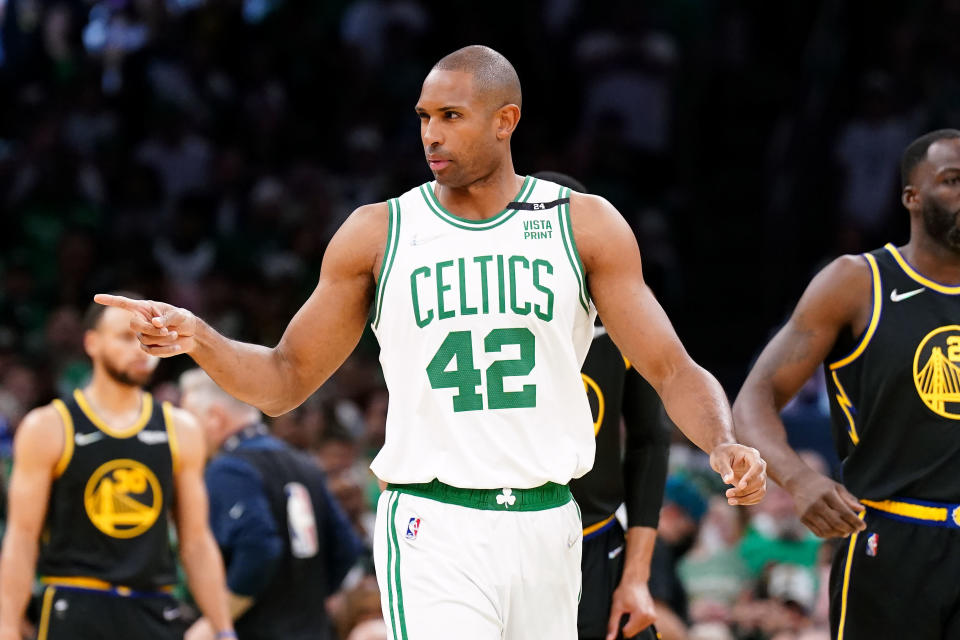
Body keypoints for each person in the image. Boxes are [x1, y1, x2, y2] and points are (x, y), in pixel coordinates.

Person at [95, 45, 766, 639]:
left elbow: (672, 368)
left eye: (451, 116)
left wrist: (724, 441)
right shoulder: (379, 232)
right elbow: (284, 379)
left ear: (506, 121)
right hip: (434, 523)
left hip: (551, 520)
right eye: (423, 117)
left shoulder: (582, 225)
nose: (431, 135)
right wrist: (203, 339)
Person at [733, 129, 960, 639]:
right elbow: (754, 398)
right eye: (952, 181)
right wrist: (799, 479)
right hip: (893, 537)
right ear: (912, 197)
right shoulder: (858, 282)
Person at [0, 298, 234, 640]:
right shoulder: (48, 426)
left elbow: (196, 542)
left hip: (153, 607)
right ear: (92, 343)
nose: (140, 349)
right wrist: (6, 627)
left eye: (146, 337)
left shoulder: (181, 429)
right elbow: (21, 539)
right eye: (125, 338)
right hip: (75, 604)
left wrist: (224, 629)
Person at [534, 171, 670, 640]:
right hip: (506, 540)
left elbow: (651, 440)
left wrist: (636, 576)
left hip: (596, 538)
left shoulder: (625, 308)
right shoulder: (483, 308)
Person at [178, 368, 364, 640]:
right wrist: (308, 603)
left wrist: (217, 621)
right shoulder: (303, 464)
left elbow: (259, 547)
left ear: (215, 418)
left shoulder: (227, 469)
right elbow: (347, 547)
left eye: (190, 419)